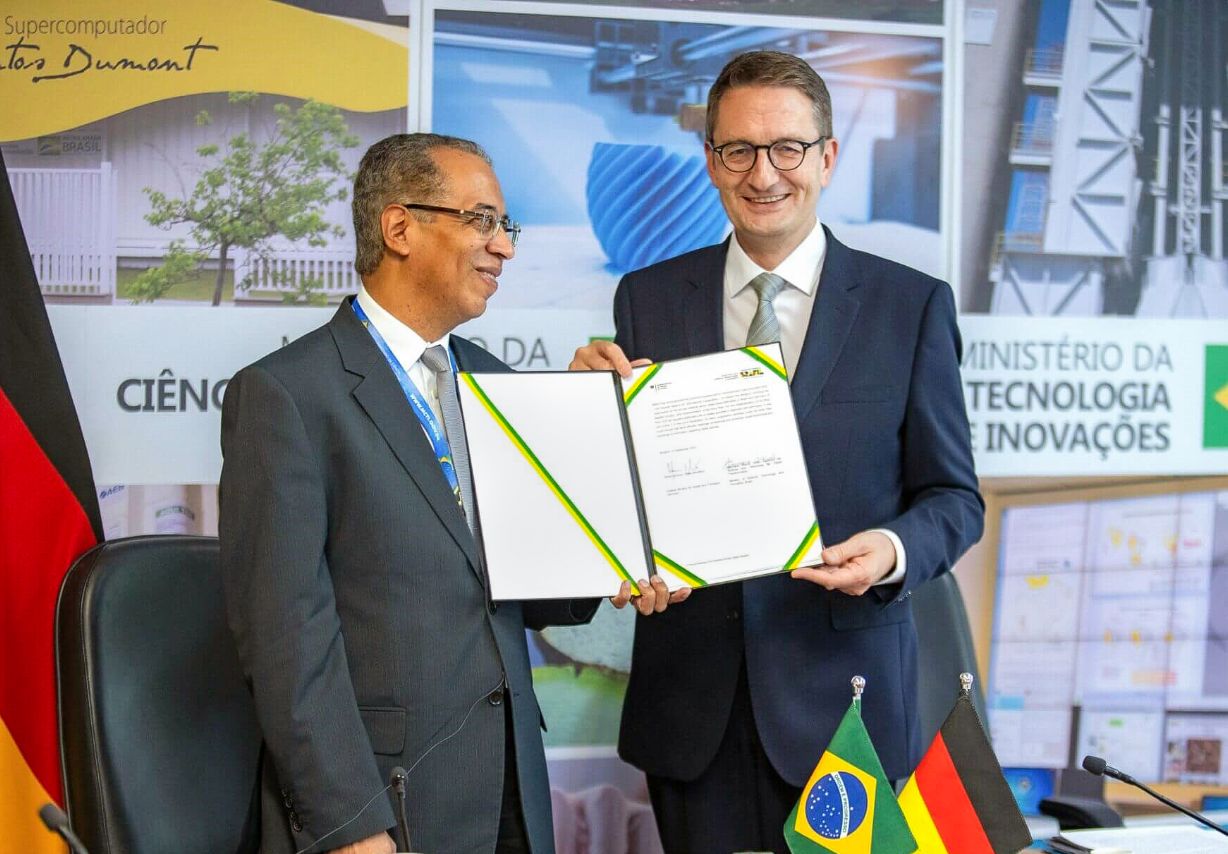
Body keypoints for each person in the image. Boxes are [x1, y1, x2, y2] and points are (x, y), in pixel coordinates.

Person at [219, 133, 683, 854]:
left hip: (512, 794)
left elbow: (530, 590)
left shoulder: (495, 381)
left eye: (508, 227)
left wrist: (618, 553)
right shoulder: (286, 395)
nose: (505, 249)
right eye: (482, 221)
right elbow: (286, 641)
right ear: (400, 226)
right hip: (386, 807)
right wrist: (350, 825)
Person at [570, 51, 983, 852]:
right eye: (739, 151)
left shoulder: (910, 307)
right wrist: (588, 416)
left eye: (787, 148)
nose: (764, 174)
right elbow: (628, 489)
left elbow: (956, 501)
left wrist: (892, 552)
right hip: (692, 708)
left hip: (845, 711)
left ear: (827, 157)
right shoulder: (647, 298)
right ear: (711, 163)